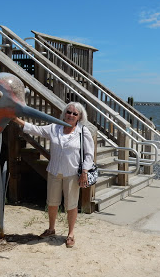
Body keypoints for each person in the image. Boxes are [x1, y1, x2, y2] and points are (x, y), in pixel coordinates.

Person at [12, 101, 94, 248]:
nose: (71, 115)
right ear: (64, 113)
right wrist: (16, 119)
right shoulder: (55, 127)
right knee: (52, 202)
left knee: (71, 204)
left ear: (79, 116)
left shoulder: (83, 131)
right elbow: (36, 129)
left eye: (75, 113)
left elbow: (89, 154)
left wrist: (85, 172)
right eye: (69, 112)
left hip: (72, 172)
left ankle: (71, 233)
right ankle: (51, 228)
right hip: (54, 171)